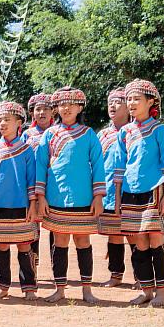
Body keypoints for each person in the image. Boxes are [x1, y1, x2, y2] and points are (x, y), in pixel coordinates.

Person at [35, 87, 105, 304]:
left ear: (80, 107)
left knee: (83, 242)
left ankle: (87, 289)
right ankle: (60, 289)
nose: (66, 108)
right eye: (62, 104)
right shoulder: (49, 134)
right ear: (56, 108)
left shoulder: (89, 134)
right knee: (61, 242)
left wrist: (98, 196)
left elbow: (98, 166)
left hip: (83, 198)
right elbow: (40, 166)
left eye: (71, 104)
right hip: (55, 198)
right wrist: (40, 197)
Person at [114, 79, 164, 306]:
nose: (131, 103)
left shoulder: (159, 129)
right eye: (128, 99)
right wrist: (118, 198)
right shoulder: (125, 132)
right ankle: (146, 290)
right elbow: (120, 167)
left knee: (155, 240)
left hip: (155, 189)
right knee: (138, 242)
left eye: (136, 99)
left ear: (150, 102)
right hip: (130, 192)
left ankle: (162, 293)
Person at [0, 102, 40, 300]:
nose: (2, 124)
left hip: (22, 206)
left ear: (19, 122)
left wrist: (33, 205)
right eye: (0, 120)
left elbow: (32, 180)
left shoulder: (27, 149)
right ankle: (2, 287)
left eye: (7, 120)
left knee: (24, 246)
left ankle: (29, 287)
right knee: (1, 247)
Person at [96, 87, 136, 288]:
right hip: (109, 193)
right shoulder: (102, 135)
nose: (112, 106)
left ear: (128, 107)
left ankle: (141, 276)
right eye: (110, 102)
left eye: (117, 102)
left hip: (131, 191)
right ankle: (115, 274)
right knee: (113, 234)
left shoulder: (134, 132)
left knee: (133, 234)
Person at [22, 92, 56, 270]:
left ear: (53, 112)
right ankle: (32, 267)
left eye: (46, 109)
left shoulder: (57, 132)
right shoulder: (27, 135)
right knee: (32, 227)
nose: (42, 112)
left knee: (56, 227)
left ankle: (56, 266)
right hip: (32, 186)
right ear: (32, 113)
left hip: (54, 186)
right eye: (38, 109)